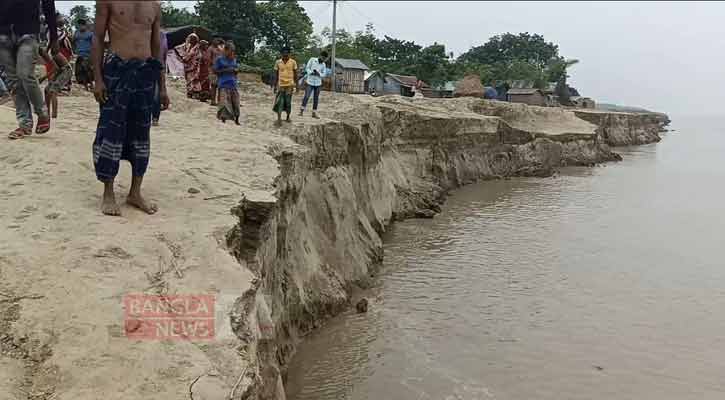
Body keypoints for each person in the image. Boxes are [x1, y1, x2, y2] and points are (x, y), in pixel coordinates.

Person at [92, 1, 169, 216]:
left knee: (141, 133)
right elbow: (97, 38)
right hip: (117, 72)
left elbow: (156, 47)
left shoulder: (154, 6)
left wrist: (162, 87)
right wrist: (98, 79)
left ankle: (135, 192)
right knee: (111, 131)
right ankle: (108, 192)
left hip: (145, 74)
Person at [0, 0, 58, 139]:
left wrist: (54, 36)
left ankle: (42, 113)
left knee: (25, 74)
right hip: (2, 33)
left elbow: (48, 5)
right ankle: (24, 124)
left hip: (28, 31)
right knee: (14, 81)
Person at [40, 46, 71, 119]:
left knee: (53, 91)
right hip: (59, 71)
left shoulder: (47, 53)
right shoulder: (45, 52)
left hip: (65, 71)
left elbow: (55, 68)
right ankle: (47, 113)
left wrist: (43, 78)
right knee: (46, 90)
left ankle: (54, 115)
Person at [214, 41, 240, 125]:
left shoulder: (234, 59)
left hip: (233, 84)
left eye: (233, 51)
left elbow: (236, 70)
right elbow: (215, 71)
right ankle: (223, 119)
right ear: (226, 50)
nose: (232, 53)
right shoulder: (219, 59)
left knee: (235, 103)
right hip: (223, 83)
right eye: (230, 51)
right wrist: (226, 70)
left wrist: (235, 71)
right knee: (224, 103)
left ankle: (236, 119)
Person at [272, 47, 298, 126]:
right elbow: (276, 74)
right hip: (281, 85)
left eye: (287, 53)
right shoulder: (278, 62)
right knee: (280, 102)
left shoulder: (293, 62)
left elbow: (296, 74)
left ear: (289, 54)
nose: (285, 55)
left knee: (288, 102)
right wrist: (274, 85)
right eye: (284, 53)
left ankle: (287, 116)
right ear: (281, 54)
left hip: (290, 85)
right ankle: (279, 119)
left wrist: (297, 86)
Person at [299, 50, 328, 119]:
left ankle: (314, 113)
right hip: (310, 81)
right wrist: (311, 72)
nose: (323, 59)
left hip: (318, 83)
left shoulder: (324, 64)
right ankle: (301, 111)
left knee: (316, 98)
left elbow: (324, 74)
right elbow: (307, 68)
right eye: (323, 57)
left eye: (324, 58)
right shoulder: (312, 59)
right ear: (320, 56)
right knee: (307, 96)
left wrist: (319, 74)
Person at [152, 31, 168, 126]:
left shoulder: (162, 36)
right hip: (143, 69)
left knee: (156, 95)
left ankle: (155, 117)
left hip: (157, 69)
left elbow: (163, 58)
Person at [73, 19, 94, 91]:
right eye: (79, 25)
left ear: (85, 26)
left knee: (87, 70)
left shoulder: (90, 34)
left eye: (82, 25)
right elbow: (73, 42)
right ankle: (86, 86)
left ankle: (91, 84)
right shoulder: (76, 33)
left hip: (88, 55)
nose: (80, 27)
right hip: (79, 55)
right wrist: (74, 51)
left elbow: (94, 44)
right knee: (81, 71)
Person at [177, 33, 200, 98]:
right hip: (188, 66)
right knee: (189, 79)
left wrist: (185, 58)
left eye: (193, 39)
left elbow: (192, 56)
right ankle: (190, 92)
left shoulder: (197, 48)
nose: (191, 40)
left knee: (194, 79)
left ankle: (194, 92)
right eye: (190, 39)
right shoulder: (188, 47)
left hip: (194, 66)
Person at [208, 38, 224, 106]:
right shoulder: (210, 48)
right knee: (214, 85)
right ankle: (213, 101)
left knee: (220, 86)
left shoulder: (220, 49)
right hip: (213, 69)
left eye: (218, 40)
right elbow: (208, 59)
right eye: (215, 40)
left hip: (220, 69)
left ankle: (219, 101)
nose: (217, 41)